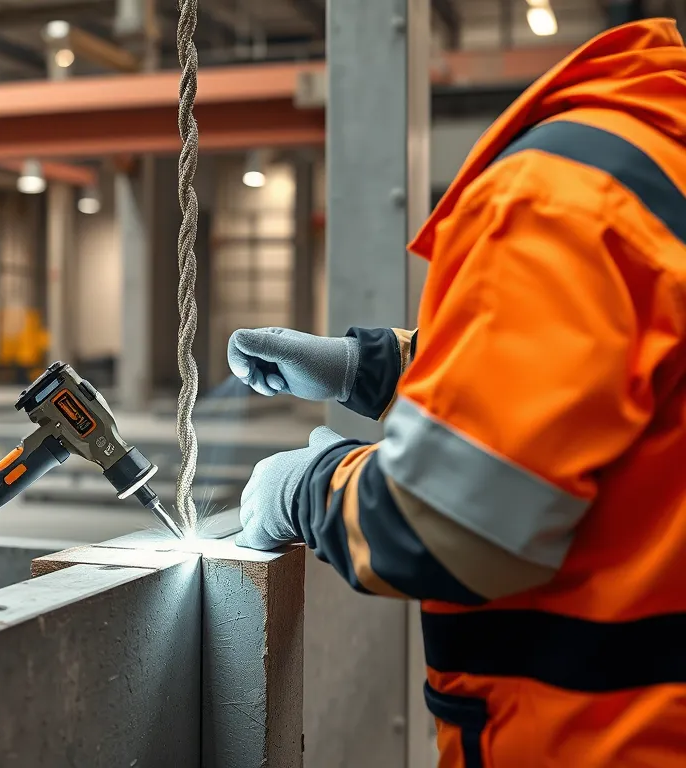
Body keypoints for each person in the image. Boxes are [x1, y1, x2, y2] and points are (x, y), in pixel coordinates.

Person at [228, 18, 686, 768]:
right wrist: (364, 368)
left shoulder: (560, 190)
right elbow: (581, 375)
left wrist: (305, 490)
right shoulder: (662, 160)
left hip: (601, 738)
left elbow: (450, 522)